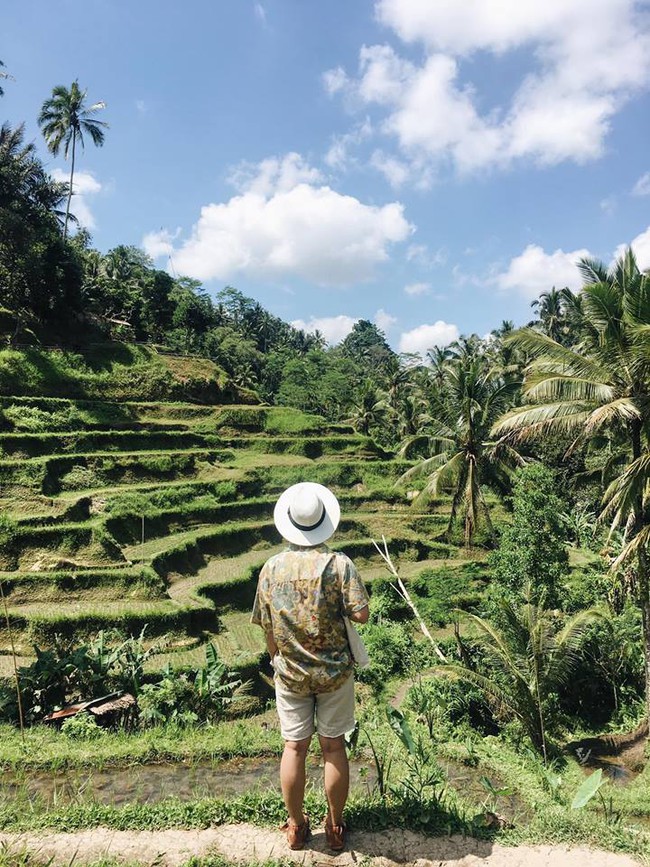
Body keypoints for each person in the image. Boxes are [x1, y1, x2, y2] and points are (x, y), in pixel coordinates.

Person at [251, 482, 369, 852]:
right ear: (323, 523)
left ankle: (296, 827)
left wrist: (276, 658)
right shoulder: (340, 565)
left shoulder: (271, 568)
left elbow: (266, 625)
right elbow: (362, 615)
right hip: (334, 675)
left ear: (288, 522)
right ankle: (335, 828)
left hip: (290, 674)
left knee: (294, 747)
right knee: (333, 748)